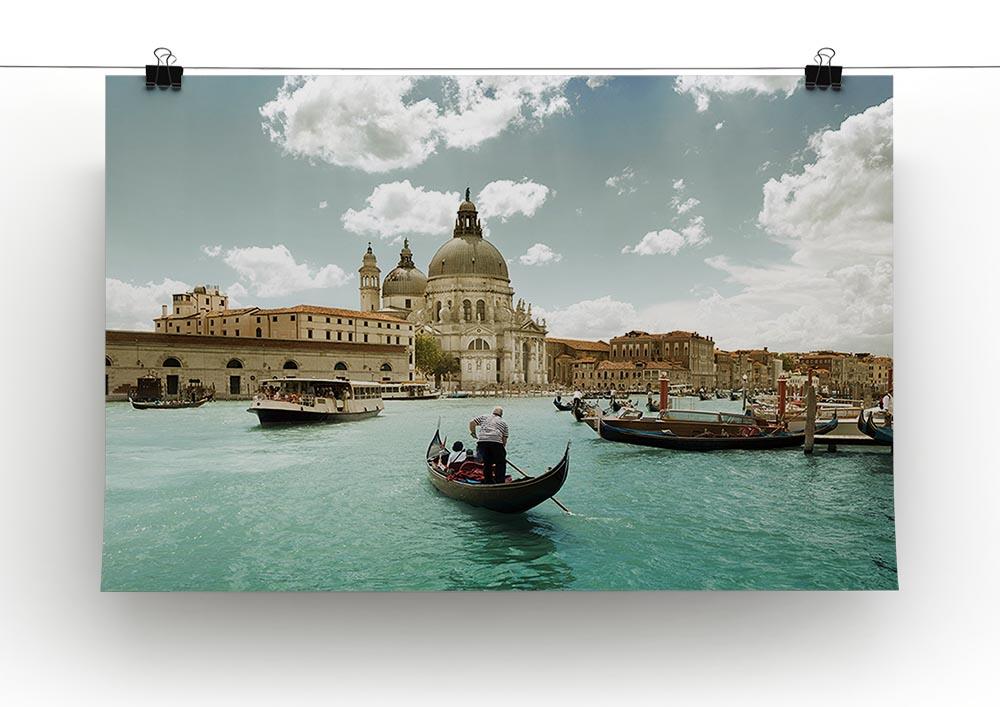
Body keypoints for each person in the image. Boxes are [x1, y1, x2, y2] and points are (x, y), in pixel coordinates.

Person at [469, 406, 509, 484]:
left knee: (487, 462)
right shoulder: (504, 423)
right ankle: (500, 482)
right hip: (496, 443)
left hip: (482, 442)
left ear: (493, 412)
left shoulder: (484, 417)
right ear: (501, 414)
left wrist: (473, 433)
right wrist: (501, 452)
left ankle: (488, 481)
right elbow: (504, 439)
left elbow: (472, 423)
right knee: (500, 463)